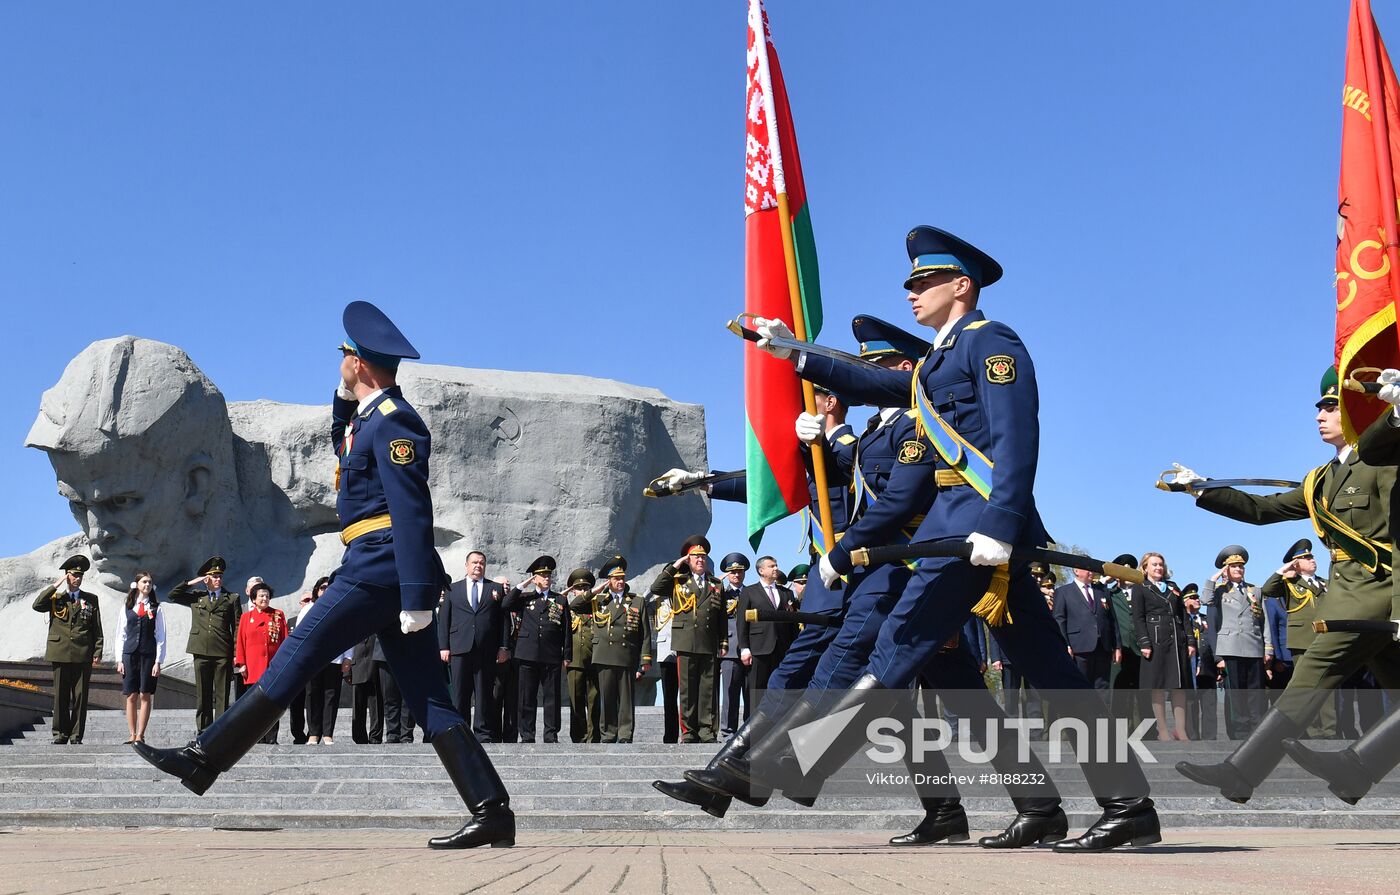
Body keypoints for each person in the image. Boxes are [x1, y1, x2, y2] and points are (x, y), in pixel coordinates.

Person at [724, 226, 1159, 851]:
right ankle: (1102, 805)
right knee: (1051, 670)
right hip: (959, 529)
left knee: (900, 644)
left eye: (924, 281)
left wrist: (1001, 528)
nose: (912, 292)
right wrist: (793, 351)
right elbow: (878, 384)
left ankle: (798, 761)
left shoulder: (992, 343)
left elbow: (1016, 440)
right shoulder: (937, 362)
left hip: (975, 532)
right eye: (911, 283)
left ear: (962, 286)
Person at [668, 313, 1066, 850]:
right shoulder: (890, 420)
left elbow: (906, 496)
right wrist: (794, 354)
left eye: (876, 365)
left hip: (920, 568)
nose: (863, 376)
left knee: (864, 671)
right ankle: (993, 806)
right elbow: (814, 478)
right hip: (923, 566)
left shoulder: (920, 417)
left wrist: (841, 549)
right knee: (949, 698)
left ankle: (767, 768)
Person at [134, 300, 515, 849]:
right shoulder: (369, 420)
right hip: (376, 564)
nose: (339, 359)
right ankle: (491, 810)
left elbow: (411, 510)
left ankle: (203, 760)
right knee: (431, 700)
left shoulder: (397, 422)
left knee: (296, 656)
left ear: (358, 361)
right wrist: (342, 401)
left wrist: (413, 593)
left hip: (381, 567)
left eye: (344, 354)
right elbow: (346, 445)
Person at [1171, 367, 1400, 803]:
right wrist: (1201, 489)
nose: (1320, 415)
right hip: (1351, 593)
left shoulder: (1385, 460)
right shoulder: (1321, 480)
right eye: (1319, 408)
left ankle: (1242, 771)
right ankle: (1358, 770)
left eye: (1331, 406)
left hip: (1373, 594)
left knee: (1311, 674)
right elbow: (1263, 509)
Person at [649, 536, 727, 743]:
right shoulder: (678, 581)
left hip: (708, 642)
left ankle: (707, 731)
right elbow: (656, 588)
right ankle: (689, 731)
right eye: (695, 557)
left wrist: (723, 643)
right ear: (688, 559)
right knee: (687, 690)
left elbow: (721, 618)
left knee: (708, 689)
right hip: (684, 641)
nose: (700, 560)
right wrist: (676, 565)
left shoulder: (716, 584)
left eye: (702, 557)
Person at [439, 551, 510, 742]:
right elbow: (444, 619)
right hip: (459, 648)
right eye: (474, 562)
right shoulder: (452, 589)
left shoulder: (495, 588)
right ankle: (461, 733)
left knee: (484, 693)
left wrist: (504, 647)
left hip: (486, 649)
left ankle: (482, 733)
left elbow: (504, 621)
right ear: (466, 565)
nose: (478, 566)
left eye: (481, 563)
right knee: (460, 694)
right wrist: (443, 647)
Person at [32, 555, 102, 745]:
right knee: (61, 695)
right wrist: (56, 585)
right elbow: (37, 605)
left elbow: (97, 628)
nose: (78, 578)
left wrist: (97, 652)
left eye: (80, 575)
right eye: (73, 575)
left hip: (83, 653)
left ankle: (76, 735)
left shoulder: (91, 599)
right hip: (60, 652)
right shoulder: (56, 598)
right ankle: (60, 734)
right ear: (66, 576)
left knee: (80, 697)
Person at [167, 557, 242, 733]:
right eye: (213, 576)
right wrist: (193, 582)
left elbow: (237, 626)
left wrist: (236, 653)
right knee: (203, 693)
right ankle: (203, 729)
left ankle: (221, 730)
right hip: (200, 650)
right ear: (206, 579)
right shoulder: (197, 598)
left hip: (222, 651)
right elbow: (173, 595)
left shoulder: (231, 598)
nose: (218, 579)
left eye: (219, 576)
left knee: (222, 694)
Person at [1202, 546, 1270, 739]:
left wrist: (1268, 649)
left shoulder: (1255, 590)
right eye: (1234, 566)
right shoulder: (1219, 592)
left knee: (1256, 693)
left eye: (1241, 566)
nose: (1239, 569)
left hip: (1253, 646)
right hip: (1230, 648)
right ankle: (1239, 730)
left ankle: (1257, 729)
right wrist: (1214, 578)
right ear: (1226, 570)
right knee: (1236, 694)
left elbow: (1263, 622)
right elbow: (1205, 600)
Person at [503, 556, 571, 744]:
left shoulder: (560, 599)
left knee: (552, 698)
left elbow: (566, 630)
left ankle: (550, 734)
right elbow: (505, 604)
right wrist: (522, 586)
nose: (547, 578)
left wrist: (567, 655)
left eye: (548, 575)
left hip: (551, 655)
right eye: (542, 575)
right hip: (527, 654)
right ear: (535, 578)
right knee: (526, 697)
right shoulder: (525, 598)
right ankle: (527, 735)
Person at [589, 556, 652, 743]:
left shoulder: (636, 601)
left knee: (626, 700)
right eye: (616, 578)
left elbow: (645, 633)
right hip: (605, 655)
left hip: (626, 655)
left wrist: (645, 659)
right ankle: (608, 734)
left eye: (622, 578)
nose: (621, 581)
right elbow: (576, 605)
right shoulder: (599, 600)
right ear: (609, 581)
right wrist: (596, 590)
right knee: (607, 698)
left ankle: (625, 734)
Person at [1131, 553, 1191, 741]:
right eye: (1154, 564)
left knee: (1178, 685)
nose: (1158, 568)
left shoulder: (1173, 587)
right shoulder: (1140, 587)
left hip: (1176, 640)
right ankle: (1163, 730)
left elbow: (1183, 615)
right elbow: (1138, 618)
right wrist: (1144, 642)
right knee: (1157, 685)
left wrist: (1190, 640)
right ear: (1145, 567)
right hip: (1155, 640)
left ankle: (1180, 729)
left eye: (1161, 565)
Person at [733, 556, 799, 715]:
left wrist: (795, 649)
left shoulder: (786, 593)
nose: (776, 568)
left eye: (776, 565)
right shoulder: (749, 592)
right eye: (771, 566)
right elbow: (742, 622)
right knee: (756, 690)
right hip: (758, 649)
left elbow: (793, 625)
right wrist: (744, 648)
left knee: (780, 690)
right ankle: (752, 730)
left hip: (782, 649)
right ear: (761, 571)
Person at [234, 581, 288, 744]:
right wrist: (241, 663)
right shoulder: (246, 617)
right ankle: (256, 738)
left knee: (272, 704)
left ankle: (272, 737)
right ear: (254, 599)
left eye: (267, 595)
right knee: (255, 705)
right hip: (253, 667)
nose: (264, 598)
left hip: (273, 666)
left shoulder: (278, 614)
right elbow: (241, 641)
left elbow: (285, 640)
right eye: (261, 596)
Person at [116, 571, 166, 744]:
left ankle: (140, 735)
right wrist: (119, 659)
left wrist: (158, 661)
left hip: (148, 655)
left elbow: (161, 636)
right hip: (130, 655)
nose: (147, 585)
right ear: (136, 584)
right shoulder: (127, 607)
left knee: (145, 694)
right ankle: (131, 733)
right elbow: (120, 634)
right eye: (144, 582)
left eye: (150, 582)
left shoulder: (156, 608)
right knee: (131, 695)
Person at [1053, 568, 1119, 691]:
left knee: (1102, 687)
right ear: (1076, 571)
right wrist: (1065, 644)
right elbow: (1059, 620)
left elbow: (1112, 620)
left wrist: (1117, 646)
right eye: (1087, 569)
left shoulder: (1102, 591)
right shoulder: (1063, 592)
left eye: (1092, 569)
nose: (1091, 572)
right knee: (1081, 686)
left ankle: (1101, 711)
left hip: (1103, 646)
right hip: (1079, 648)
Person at [564, 567, 600, 743]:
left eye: (586, 588)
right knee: (576, 701)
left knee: (594, 701)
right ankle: (579, 736)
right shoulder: (569, 608)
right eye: (579, 588)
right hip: (575, 660)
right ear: (573, 591)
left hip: (594, 658)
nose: (583, 591)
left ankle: (593, 737)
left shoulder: (597, 607)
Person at [717, 553, 750, 739]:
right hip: (729, 648)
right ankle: (728, 732)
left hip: (751, 648)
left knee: (750, 693)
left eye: (739, 572)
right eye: (732, 572)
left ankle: (748, 732)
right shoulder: (722, 593)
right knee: (730, 693)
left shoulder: (752, 592)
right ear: (727, 574)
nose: (736, 575)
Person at [1183, 584, 1220, 741]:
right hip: (1189, 669)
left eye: (1197, 597)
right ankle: (1192, 737)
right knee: (1190, 705)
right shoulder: (1182, 621)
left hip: (1208, 668)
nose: (1197, 600)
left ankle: (1210, 738)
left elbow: (1214, 642)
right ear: (1184, 602)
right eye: (1192, 598)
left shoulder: (1206, 620)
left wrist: (1219, 669)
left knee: (1210, 705)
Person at [350, 634, 382, 744]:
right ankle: (359, 736)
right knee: (358, 704)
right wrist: (346, 672)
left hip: (375, 666)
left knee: (376, 704)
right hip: (356, 666)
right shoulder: (352, 625)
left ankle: (375, 736)